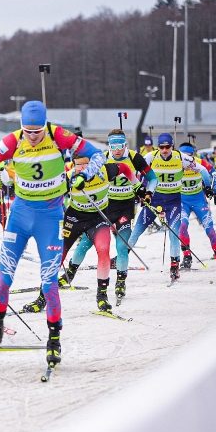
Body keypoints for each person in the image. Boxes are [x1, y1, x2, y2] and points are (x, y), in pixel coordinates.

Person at [0, 100, 105, 369]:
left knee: (49, 281)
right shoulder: (11, 141)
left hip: (49, 217)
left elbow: (98, 154)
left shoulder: (58, 135)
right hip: (20, 215)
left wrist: (84, 174)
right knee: (4, 277)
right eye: (27, 131)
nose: (32, 136)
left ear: (45, 126)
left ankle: (54, 339)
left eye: (37, 131)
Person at [21, 154, 136, 313]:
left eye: (85, 165)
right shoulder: (68, 178)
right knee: (57, 256)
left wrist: (137, 186)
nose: (81, 168)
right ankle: (42, 298)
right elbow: (52, 197)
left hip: (98, 217)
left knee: (103, 250)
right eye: (78, 165)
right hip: (74, 218)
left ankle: (102, 297)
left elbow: (123, 167)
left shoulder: (105, 171)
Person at [59, 130, 157, 303]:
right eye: (113, 146)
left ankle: (120, 281)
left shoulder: (135, 158)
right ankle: (71, 273)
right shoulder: (101, 158)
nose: (116, 150)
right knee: (86, 243)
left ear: (125, 144)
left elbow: (152, 178)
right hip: (104, 206)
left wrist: (146, 192)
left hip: (125, 208)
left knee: (121, 246)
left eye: (119, 146)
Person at [128, 133, 216, 282]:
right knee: (137, 230)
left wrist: (208, 187)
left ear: (172, 146)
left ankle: (174, 267)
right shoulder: (151, 157)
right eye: (161, 147)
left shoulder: (181, 158)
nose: (164, 150)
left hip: (173, 202)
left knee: (174, 235)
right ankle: (121, 258)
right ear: (158, 147)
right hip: (154, 199)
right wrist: (138, 188)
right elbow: (136, 172)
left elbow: (203, 170)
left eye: (167, 147)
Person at [175, 142, 216, 270]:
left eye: (189, 156)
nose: (186, 160)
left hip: (199, 200)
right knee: (182, 226)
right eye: (183, 156)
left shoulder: (200, 163)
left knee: (210, 229)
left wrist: (215, 192)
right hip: (183, 201)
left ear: (193, 155)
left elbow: (215, 175)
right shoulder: (175, 164)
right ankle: (187, 257)